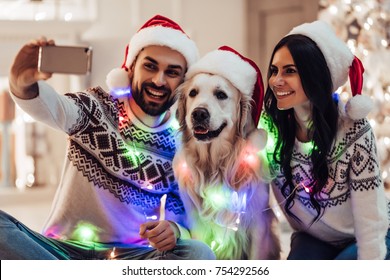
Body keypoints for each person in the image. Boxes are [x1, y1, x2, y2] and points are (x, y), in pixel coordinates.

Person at [1, 14, 215, 260]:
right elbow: (47, 106)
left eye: (172, 72)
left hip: (129, 259)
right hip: (61, 252)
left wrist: (175, 231)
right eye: (150, 66)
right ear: (131, 67)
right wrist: (21, 80)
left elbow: (190, 222)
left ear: (183, 82)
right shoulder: (95, 108)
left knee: (199, 253)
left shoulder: (184, 144)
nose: (159, 80)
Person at [260, 20, 390, 260]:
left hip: (370, 234)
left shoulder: (354, 130)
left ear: (315, 75)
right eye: (274, 70)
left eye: (289, 71)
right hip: (314, 238)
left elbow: (371, 221)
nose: (277, 80)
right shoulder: (268, 128)